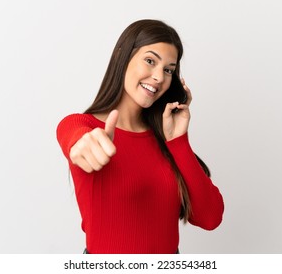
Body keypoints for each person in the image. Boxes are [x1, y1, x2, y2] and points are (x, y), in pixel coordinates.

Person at [56, 19, 224, 254]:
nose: (158, 77)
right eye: (150, 61)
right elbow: (71, 132)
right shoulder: (87, 127)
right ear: (122, 56)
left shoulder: (166, 139)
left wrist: (178, 142)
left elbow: (210, 218)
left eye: (168, 70)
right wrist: (81, 143)